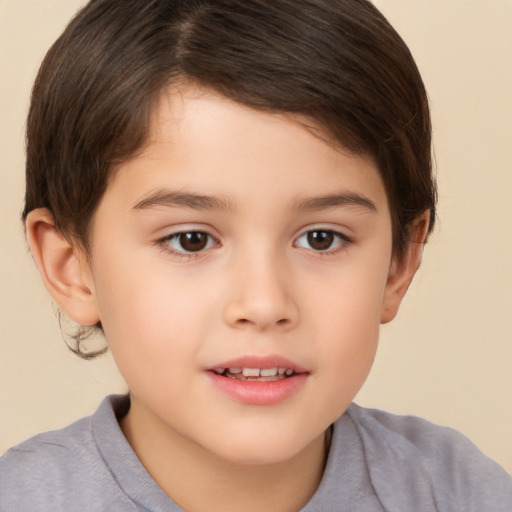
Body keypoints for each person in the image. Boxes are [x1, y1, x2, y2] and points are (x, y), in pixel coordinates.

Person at [0, 0, 511, 510]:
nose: (264, 303)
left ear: (399, 264)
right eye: (191, 240)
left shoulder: (461, 493)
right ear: (72, 267)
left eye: (321, 238)